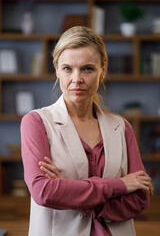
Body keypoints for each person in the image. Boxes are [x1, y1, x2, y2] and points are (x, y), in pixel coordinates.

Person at [21, 26, 153, 236]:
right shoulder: (36, 122)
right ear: (56, 69)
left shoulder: (122, 128)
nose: (77, 79)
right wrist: (119, 186)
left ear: (103, 70)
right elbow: (43, 192)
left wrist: (68, 190)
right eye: (67, 68)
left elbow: (139, 199)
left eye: (87, 69)